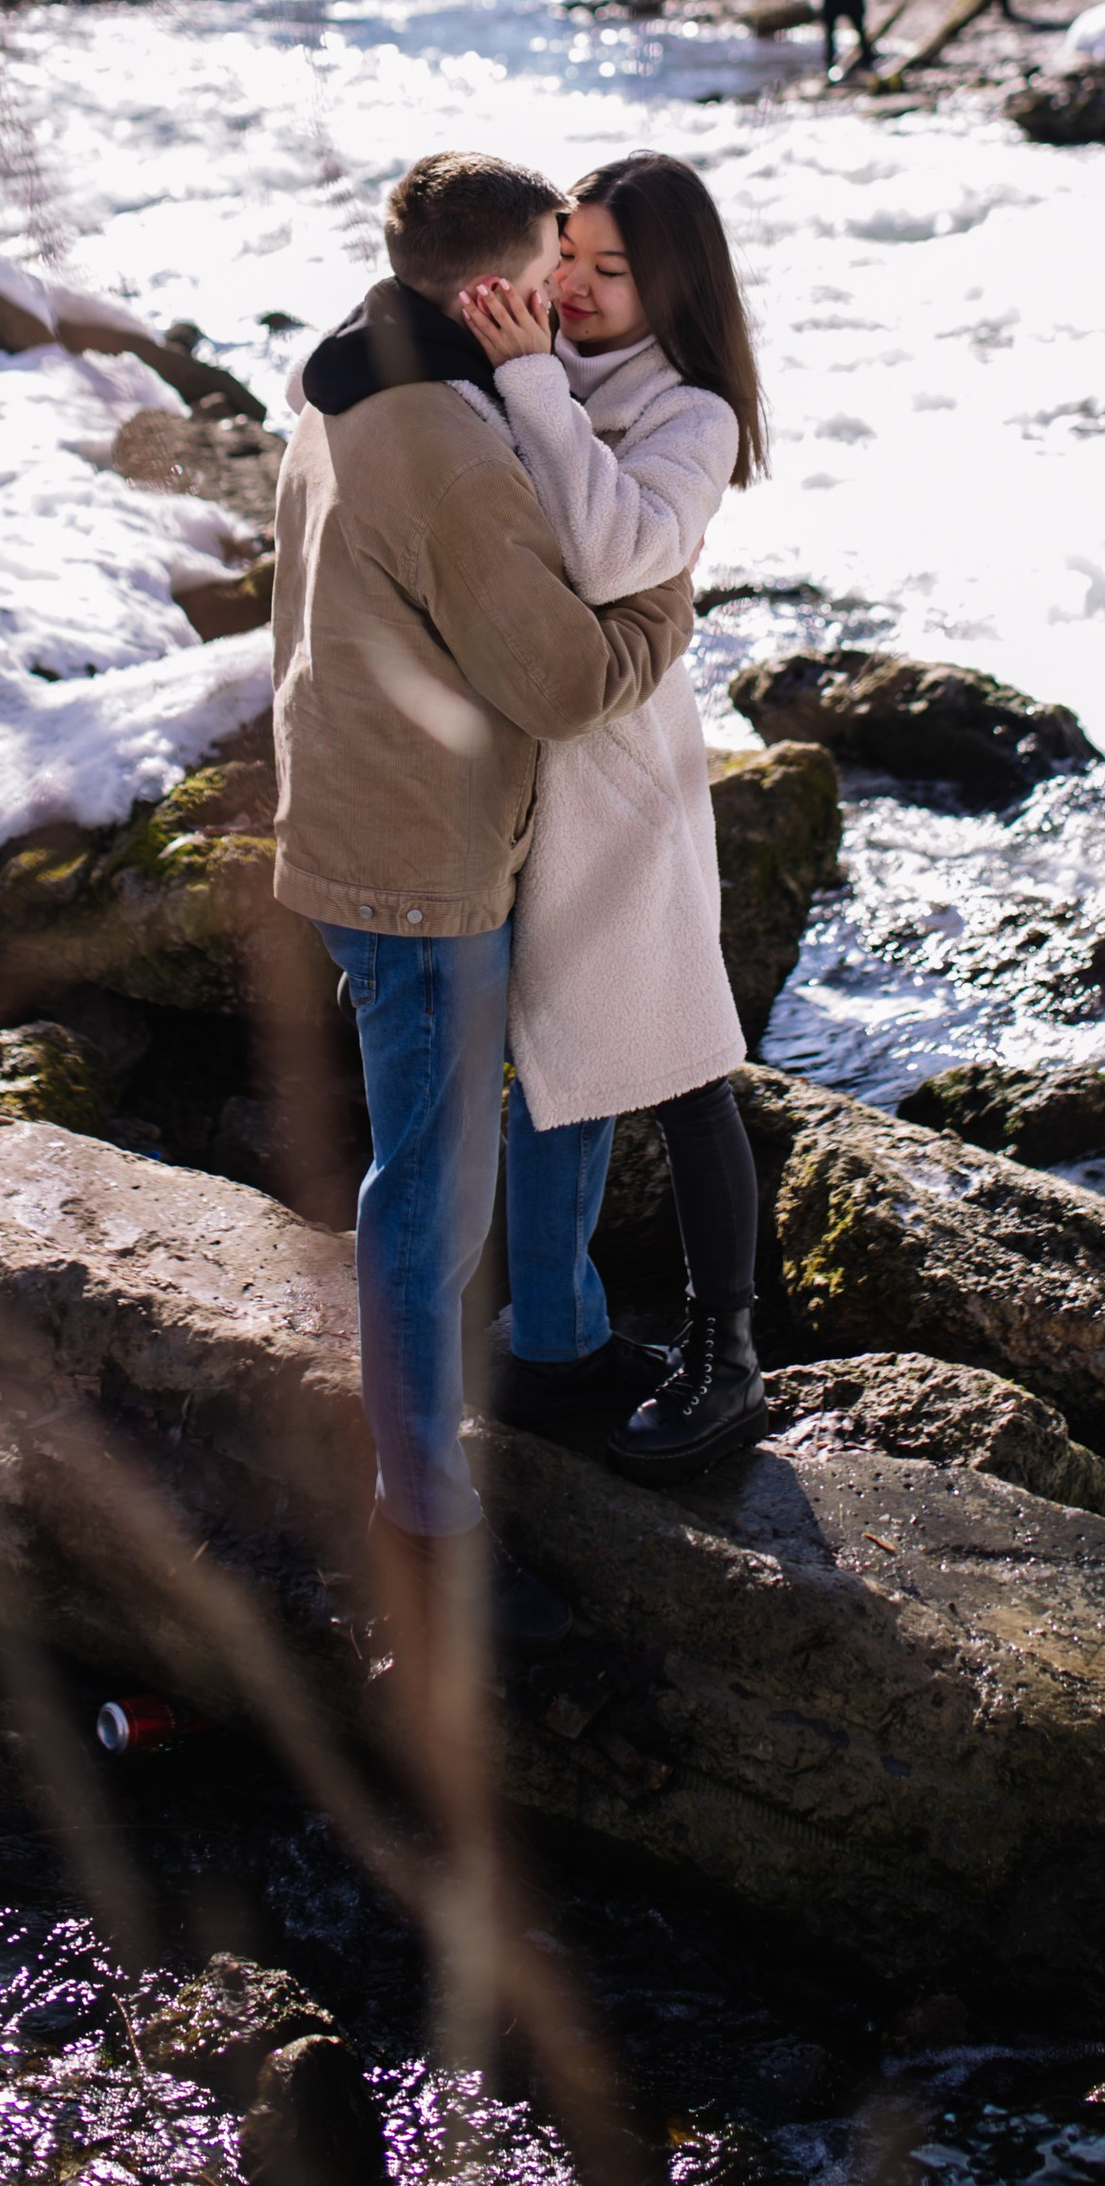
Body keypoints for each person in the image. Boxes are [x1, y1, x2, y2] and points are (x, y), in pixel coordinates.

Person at [272, 150, 695, 1643]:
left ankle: (560, 1340)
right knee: (432, 1186)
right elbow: (571, 681)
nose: (567, 299)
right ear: (482, 290)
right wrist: (664, 595)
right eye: (546, 271)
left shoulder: (357, 346)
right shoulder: (451, 445)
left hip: (365, 802)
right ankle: (421, 1508)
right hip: (418, 865)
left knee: (543, 1082)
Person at [456, 151, 771, 1484]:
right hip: (511, 767)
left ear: (675, 281)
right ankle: (552, 1341)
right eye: (565, 253)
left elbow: (611, 552)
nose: (572, 287)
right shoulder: (532, 354)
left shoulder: (690, 414)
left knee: (685, 1066)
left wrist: (527, 380)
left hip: (624, 779)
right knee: (547, 1069)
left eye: (610, 268)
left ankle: (726, 1351)